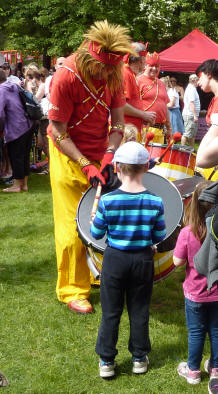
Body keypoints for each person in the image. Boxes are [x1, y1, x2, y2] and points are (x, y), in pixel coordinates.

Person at [47, 20, 135, 314]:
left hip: (100, 152)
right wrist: (85, 165)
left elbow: (119, 122)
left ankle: (96, 274)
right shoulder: (65, 76)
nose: (107, 76)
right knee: (74, 223)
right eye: (103, 69)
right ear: (89, 58)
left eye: (113, 71)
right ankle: (72, 288)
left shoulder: (115, 75)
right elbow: (58, 130)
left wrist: (109, 156)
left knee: (102, 216)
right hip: (66, 151)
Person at [90, 141, 166, 378]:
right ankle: (139, 359)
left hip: (115, 260)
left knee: (111, 312)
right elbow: (159, 235)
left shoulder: (108, 201)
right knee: (139, 310)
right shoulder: (156, 201)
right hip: (142, 260)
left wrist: (94, 218)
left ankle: (106, 362)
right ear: (146, 167)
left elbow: (96, 234)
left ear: (118, 167)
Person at [173, 181, 218, 390]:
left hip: (195, 295)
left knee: (196, 332)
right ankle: (216, 368)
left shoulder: (187, 233)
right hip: (217, 292)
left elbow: (177, 262)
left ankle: (193, 371)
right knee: (217, 331)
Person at [0, 65, 34, 192]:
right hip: (28, 124)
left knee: (16, 156)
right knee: (24, 155)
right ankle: (24, 184)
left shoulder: (1, 90)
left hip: (16, 127)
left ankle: (16, 185)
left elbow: (0, 114)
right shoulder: (13, 86)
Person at [122, 42, 156, 141]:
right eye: (145, 59)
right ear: (141, 60)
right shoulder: (126, 74)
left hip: (131, 130)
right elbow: (121, 105)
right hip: (126, 131)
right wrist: (143, 115)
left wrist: (143, 118)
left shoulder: (131, 75)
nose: (146, 63)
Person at [137, 52, 172, 144]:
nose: (154, 69)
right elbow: (133, 104)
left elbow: (165, 107)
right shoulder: (138, 81)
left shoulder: (162, 84)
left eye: (157, 66)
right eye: (151, 66)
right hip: (143, 128)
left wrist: (169, 128)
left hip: (159, 130)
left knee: (156, 157)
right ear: (145, 66)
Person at [196, 59, 218, 169]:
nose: (198, 82)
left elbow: (201, 160)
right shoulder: (214, 100)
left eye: (200, 77)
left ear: (209, 74)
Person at [181, 74, 200, 147]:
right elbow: (191, 103)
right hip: (190, 115)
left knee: (192, 135)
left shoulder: (192, 88)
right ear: (195, 80)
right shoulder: (191, 89)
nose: (198, 82)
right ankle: (182, 150)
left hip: (190, 114)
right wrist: (195, 115)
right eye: (198, 80)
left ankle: (191, 151)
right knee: (187, 134)